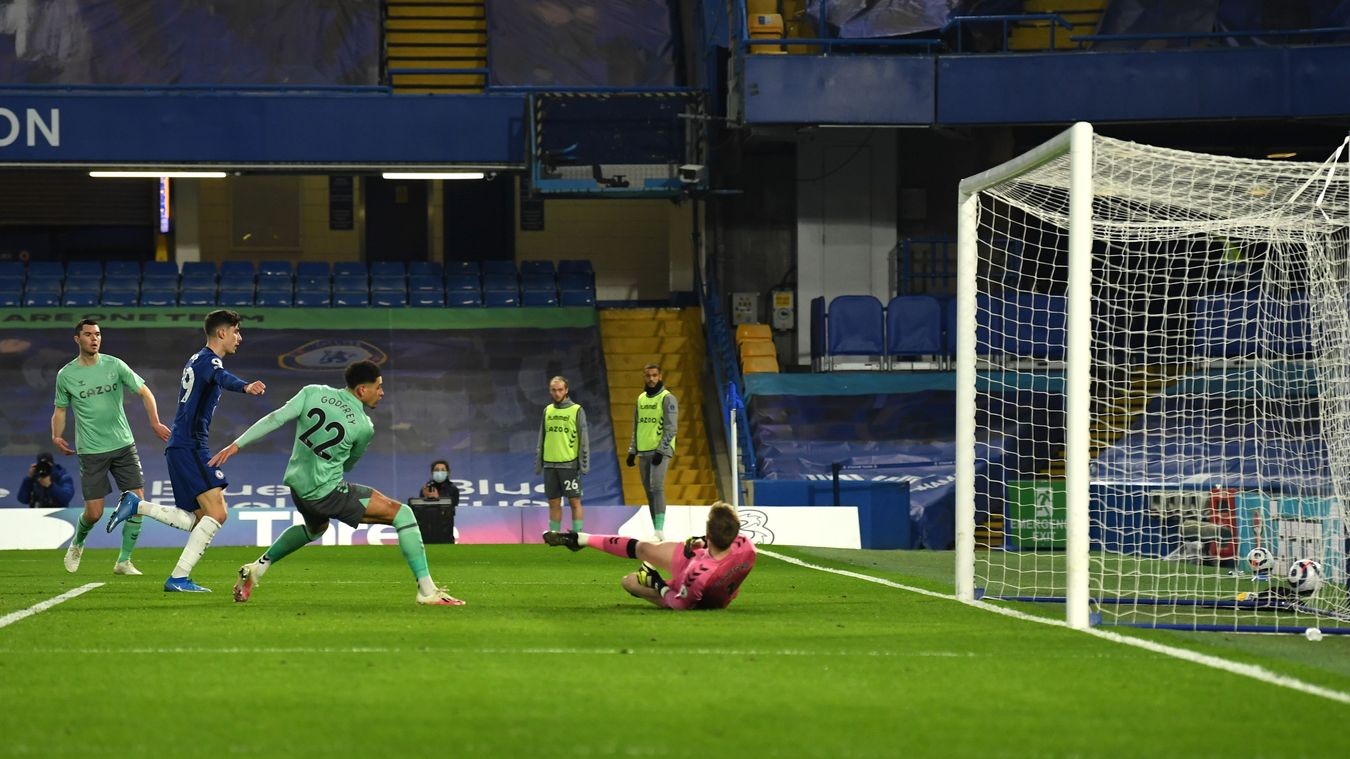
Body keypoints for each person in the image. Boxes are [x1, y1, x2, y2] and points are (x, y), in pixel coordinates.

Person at [207, 359, 464, 606]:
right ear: (362, 390)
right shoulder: (364, 426)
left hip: (298, 488)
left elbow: (275, 418)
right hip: (326, 492)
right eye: (379, 386)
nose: (382, 392)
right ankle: (427, 591)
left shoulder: (312, 392)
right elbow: (349, 464)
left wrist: (236, 444)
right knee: (403, 514)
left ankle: (257, 568)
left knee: (315, 529)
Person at [107, 309, 266, 593]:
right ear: (222, 332)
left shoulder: (195, 358)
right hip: (191, 446)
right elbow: (222, 377)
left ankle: (138, 507)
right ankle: (178, 577)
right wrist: (246, 387)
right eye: (236, 331)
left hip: (182, 446)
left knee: (199, 519)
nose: (239, 337)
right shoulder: (210, 361)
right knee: (218, 513)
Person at [53, 318, 172, 575]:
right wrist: (56, 435)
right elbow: (60, 409)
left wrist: (154, 422)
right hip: (91, 450)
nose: (94, 339)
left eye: (97, 334)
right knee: (94, 513)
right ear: (78, 339)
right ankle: (78, 543)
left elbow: (145, 392)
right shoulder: (66, 375)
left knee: (138, 502)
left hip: (123, 445)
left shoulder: (114, 364)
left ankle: (123, 561)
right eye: (88, 335)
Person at [543, 501, 756, 610]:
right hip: (705, 569)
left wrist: (658, 585)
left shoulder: (697, 573)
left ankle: (583, 540)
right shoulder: (747, 548)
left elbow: (682, 606)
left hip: (690, 589)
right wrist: (702, 541)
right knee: (645, 549)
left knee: (629, 581)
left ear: (710, 532)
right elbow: (726, 543)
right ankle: (581, 539)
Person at [626, 363, 678, 540]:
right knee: (648, 490)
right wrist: (632, 450)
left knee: (656, 487)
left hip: (660, 451)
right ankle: (656, 530)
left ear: (660, 376)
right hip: (643, 451)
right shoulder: (640, 399)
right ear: (644, 377)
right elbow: (636, 426)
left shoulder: (667, 398)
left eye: (654, 375)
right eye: (648, 375)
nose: (651, 379)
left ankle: (660, 530)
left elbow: (671, 428)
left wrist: (661, 450)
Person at [535, 375, 589, 534]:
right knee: (553, 502)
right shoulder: (547, 410)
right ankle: (554, 535)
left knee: (574, 501)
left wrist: (583, 465)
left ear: (566, 390)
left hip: (569, 464)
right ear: (550, 391)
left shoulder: (577, 410)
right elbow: (541, 438)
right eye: (554, 390)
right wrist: (539, 462)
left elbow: (583, 439)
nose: (557, 393)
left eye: (560, 390)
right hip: (550, 464)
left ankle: (577, 535)